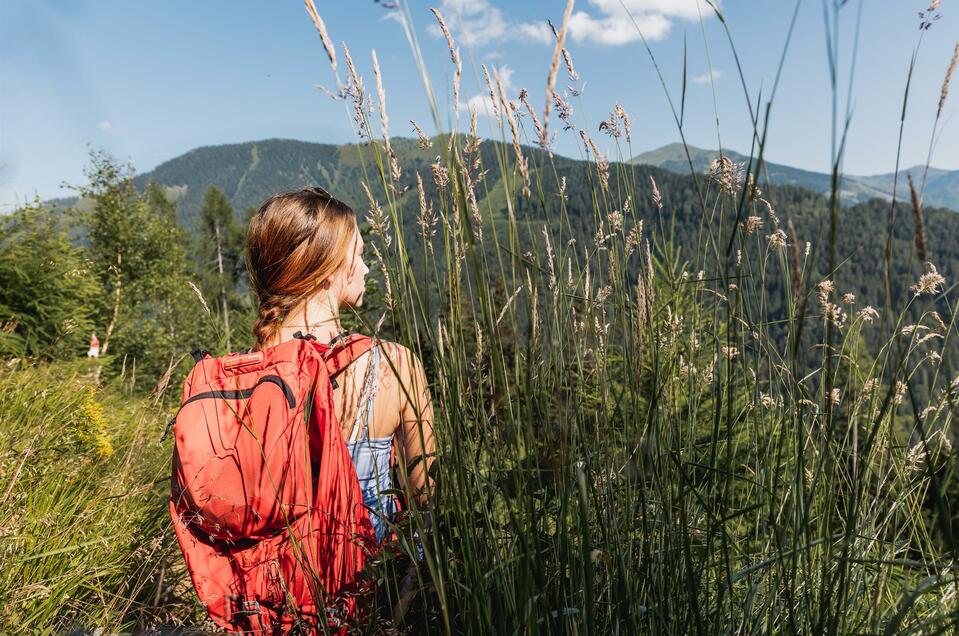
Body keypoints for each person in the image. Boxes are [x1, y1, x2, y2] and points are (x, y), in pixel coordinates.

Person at [246, 186, 435, 543]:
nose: (365, 268)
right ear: (328, 267)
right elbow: (424, 496)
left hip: (261, 592)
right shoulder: (394, 365)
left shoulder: (243, 374)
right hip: (365, 587)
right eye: (359, 255)